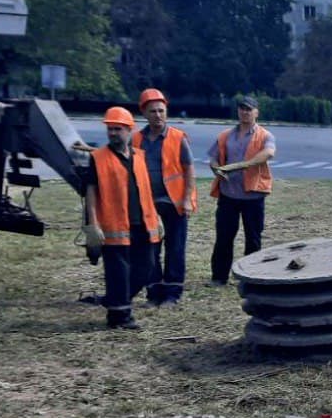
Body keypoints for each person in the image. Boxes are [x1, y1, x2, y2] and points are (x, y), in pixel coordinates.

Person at [83, 107, 160, 330]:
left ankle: (117, 301)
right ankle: (119, 317)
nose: (113, 133)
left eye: (117, 129)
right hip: (113, 226)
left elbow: (146, 189)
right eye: (110, 129)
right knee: (118, 273)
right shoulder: (98, 158)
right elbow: (90, 191)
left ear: (129, 130)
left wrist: (156, 217)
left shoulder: (139, 157)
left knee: (146, 268)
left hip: (142, 223)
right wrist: (93, 224)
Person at [133, 88, 197, 306]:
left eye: (161, 111)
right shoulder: (136, 140)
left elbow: (189, 170)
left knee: (175, 249)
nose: (158, 115)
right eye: (153, 111)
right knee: (150, 250)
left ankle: (172, 293)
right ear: (144, 113)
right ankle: (154, 293)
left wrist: (188, 199)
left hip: (175, 204)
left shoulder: (178, 138)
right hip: (148, 206)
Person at [207, 95, 276, 286]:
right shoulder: (225, 136)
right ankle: (219, 277)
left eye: (249, 109)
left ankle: (251, 278)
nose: (245, 112)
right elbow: (213, 158)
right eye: (242, 108)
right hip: (228, 194)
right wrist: (217, 169)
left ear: (256, 112)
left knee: (253, 239)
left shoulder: (265, 135)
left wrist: (243, 165)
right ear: (238, 111)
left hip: (253, 195)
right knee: (224, 237)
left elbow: (269, 153)